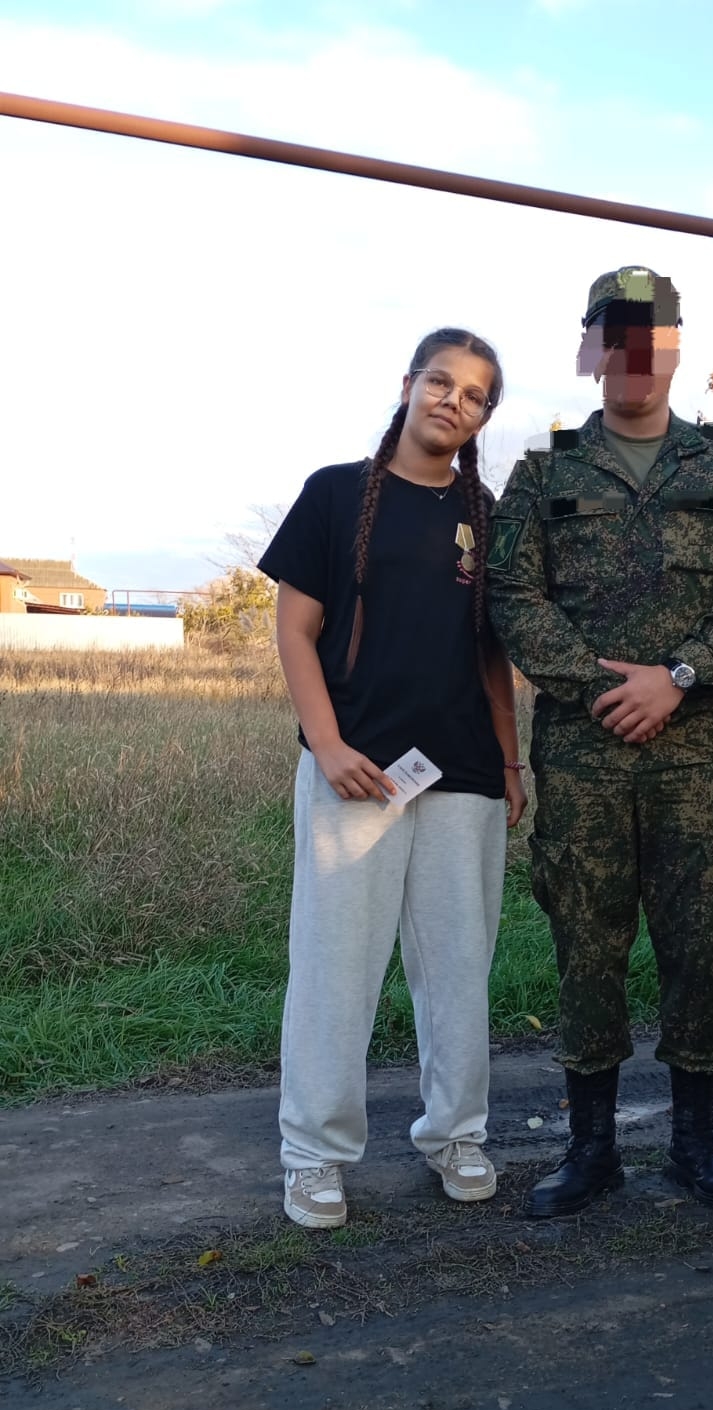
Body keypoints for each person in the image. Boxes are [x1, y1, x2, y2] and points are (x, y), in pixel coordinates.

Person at [488, 266, 713, 1218]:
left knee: (700, 942)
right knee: (586, 940)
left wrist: (681, 677)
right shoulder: (544, 472)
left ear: (672, 348)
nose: (632, 356)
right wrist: (604, 688)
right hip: (583, 754)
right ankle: (592, 1149)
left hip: (698, 754)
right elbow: (510, 597)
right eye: (614, 336)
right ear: (591, 350)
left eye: (650, 337)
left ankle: (697, 1145)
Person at [259, 327, 526, 1229]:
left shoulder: (484, 518)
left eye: (476, 394)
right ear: (408, 384)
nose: (455, 401)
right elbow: (296, 630)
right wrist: (327, 744)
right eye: (442, 382)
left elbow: (492, 656)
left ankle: (455, 1134)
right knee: (337, 968)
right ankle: (316, 1156)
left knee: (457, 970)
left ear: (487, 415)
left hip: (463, 779)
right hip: (358, 776)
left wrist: (511, 761)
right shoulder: (338, 495)